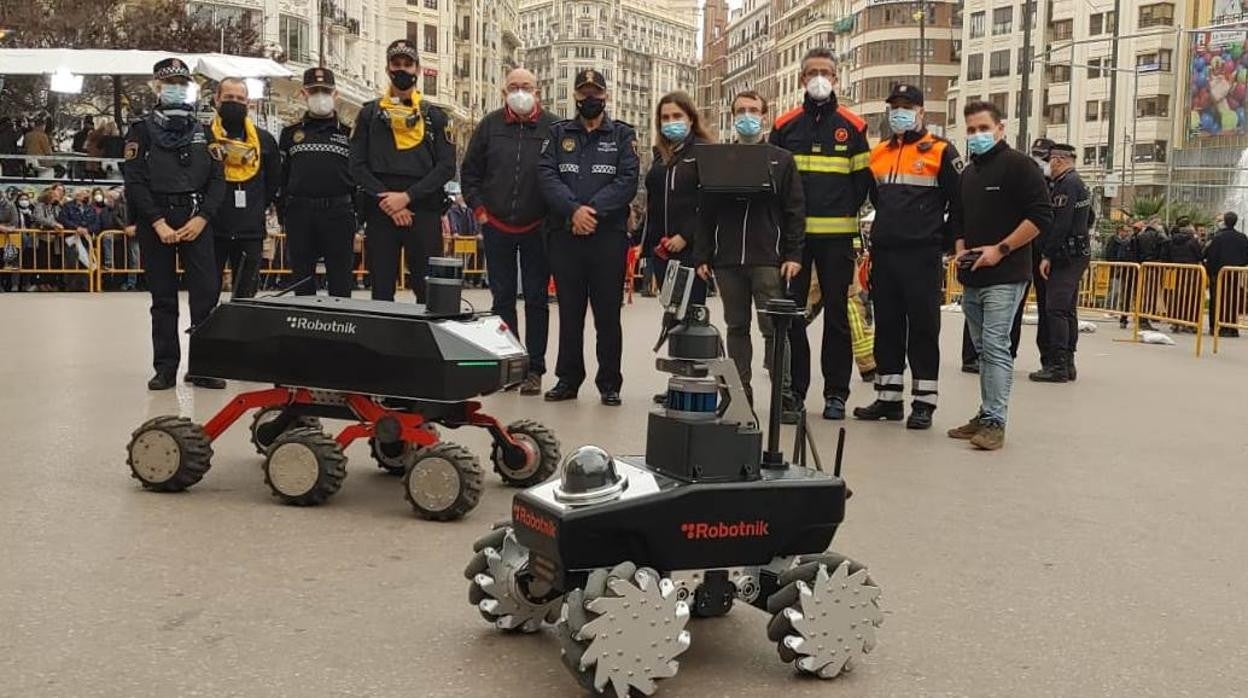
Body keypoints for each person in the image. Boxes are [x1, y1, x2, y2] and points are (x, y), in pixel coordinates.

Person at [769, 48, 872, 421]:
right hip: (794, 242)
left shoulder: (854, 126)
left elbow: (862, 182)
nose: (819, 78)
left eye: (826, 72)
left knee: (838, 319)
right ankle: (794, 392)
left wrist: (843, 211)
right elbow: (773, 183)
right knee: (793, 316)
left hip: (837, 239)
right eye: (812, 72)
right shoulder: (784, 125)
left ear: (836, 78)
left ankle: (836, 394)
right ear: (801, 79)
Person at [853, 83, 962, 430]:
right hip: (885, 254)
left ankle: (924, 402)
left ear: (921, 112)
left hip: (922, 254)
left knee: (923, 328)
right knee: (887, 326)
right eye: (894, 106)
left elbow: (959, 202)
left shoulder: (941, 150)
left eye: (907, 106)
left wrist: (943, 242)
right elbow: (873, 199)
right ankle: (888, 397)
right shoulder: (879, 152)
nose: (899, 112)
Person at [948, 101, 1052, 451]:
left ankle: (995, 420)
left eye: (983, 128)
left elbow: (1040, 217)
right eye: (972, 130)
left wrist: (1001, 249)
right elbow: (958, 219)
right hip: (973, 275)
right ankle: (986, 411)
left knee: (995, 345)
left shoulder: (1020, 166)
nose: (977, 135)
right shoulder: (969, 174)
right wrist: (961, 250)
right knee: (982, 349)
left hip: (1006, 273)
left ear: (1000, 128)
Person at [693, 90, 804, 411]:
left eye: (753, 110)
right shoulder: (719, 158)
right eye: (740, 110)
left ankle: (782, 396)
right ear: (732, 116)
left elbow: (795, 210)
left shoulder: (781, 159)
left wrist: (794, 255)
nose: (747, 116)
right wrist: (702, 255)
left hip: (767, 258)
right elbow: (706, 211)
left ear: (764, 115)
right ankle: (739, 399)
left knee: (774, 328)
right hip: (728, 260)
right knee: (736, 328)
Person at [122, 57, 226, 390]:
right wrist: (156, 221)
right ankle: (166, 367)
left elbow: (218, 179)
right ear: (156, 87)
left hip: (197, 220)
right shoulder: (141, 131)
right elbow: (135, 181)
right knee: (163, 298)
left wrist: (203, 217)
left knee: (206, 298)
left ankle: (204, 366)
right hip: (158, 222)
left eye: (183, 84)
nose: (177, 90)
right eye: (170, 84)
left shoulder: (204, 129)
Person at [537, 68, 639, 406]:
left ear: (606, 95)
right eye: (584, 92)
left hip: (607, 236)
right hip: (566, 235)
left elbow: (627, 181)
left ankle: (609, 382)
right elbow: (547, 176)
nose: (590, 98)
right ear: (575, 96)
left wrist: (591, 211)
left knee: (608, 314)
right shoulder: (557, 134)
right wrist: (573, 211)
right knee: (570, 311)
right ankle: (568, 379)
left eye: (596, 92)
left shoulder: (623, 135)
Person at [460, 67, 556, 396]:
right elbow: (470, 171)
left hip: (538, 227)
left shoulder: (553, 127)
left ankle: (535, 368)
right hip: (497, 224)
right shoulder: (489, 125)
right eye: (513, 87)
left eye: (526, 86)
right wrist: (479, 210)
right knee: (502, 298)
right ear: (504, 92)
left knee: (536, 298)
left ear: (537, 91)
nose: (520, 92)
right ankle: (510, 365)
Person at [350, 39, 455, 303]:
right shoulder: (369, 115)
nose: (402, 70)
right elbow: (356, 165)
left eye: (408, 65)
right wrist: (390, 201)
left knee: (428, 292)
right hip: (381, 211)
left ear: (418, 69)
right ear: (387, 68)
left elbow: (446, 167)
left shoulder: (435, 117)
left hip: (424, 211)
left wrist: (406, 198)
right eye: (396, 64)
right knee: (381, 290)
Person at [640, 92, 711, 403]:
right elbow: (654, 204)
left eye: (677, 116)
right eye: (665, 118)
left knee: (692, 318)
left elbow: (709, 203)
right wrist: (648, 246)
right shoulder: (660, 155)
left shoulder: (705, 152)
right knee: (673, 318)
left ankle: (695, 382)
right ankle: (678, 384)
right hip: (662, 250)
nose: (671, 123)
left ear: (691, 118)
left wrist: (687, 235)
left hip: (691, 250)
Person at [278, 67, 356, 298]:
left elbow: (358, 177)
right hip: (300, 212)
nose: (319, 96)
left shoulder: (349, 134)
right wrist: (284, 211)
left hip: (338, 212)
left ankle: (340, 331)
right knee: (302, 280)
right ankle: (304, 331)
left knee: (341, 281)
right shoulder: (290, 133)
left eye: (325, 90)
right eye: (314, 91)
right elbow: (282, 176)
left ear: (335, 94)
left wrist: (357, 214)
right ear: (303, 93)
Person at [209, 77, 279, 299]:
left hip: (250, 230)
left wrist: (258, 207)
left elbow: (273, 182)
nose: (234, 102)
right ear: (216, 100)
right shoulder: (204, 137)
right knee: (206, 292)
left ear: (248, 102)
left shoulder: (265, 140)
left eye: (240, 98)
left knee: (246, 295)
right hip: (212, 228)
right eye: (228, 97)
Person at [1029, 143, 1091, 383]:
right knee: (1067, 310)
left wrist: (1046, 254)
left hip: (1065, 256)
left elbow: (1060, 225)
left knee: (1055, 309)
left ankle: (1058, 365)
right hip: (1076, 254)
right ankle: (1068, 362)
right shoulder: (1079, 183)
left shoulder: (1067, 185)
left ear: (1058, 160)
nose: (1048, 166)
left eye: (1050, 160)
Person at [1205, 211, 1248, 336]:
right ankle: (1232, 328)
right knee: (1233, 299)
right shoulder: (1242, 237)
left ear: (1224, 221)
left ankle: (1217, 327)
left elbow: (1211, 256)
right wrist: (1240, 266)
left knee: (1218, 299)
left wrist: (1211, 272)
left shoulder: (1218, 237)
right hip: (1235, 273)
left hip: (1219, 274)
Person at [1105, 223, 1135, 328]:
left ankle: (1121, 313)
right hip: (1116, 269)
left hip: (1127, 270)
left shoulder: (1130, 241)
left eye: (1128, 231)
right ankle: (1110, 309)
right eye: (1125, 231)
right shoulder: (1113, 240)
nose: (1126, 233)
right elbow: (1108, 253)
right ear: (1119, 231)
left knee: (1124, 293)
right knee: (1115, 290)